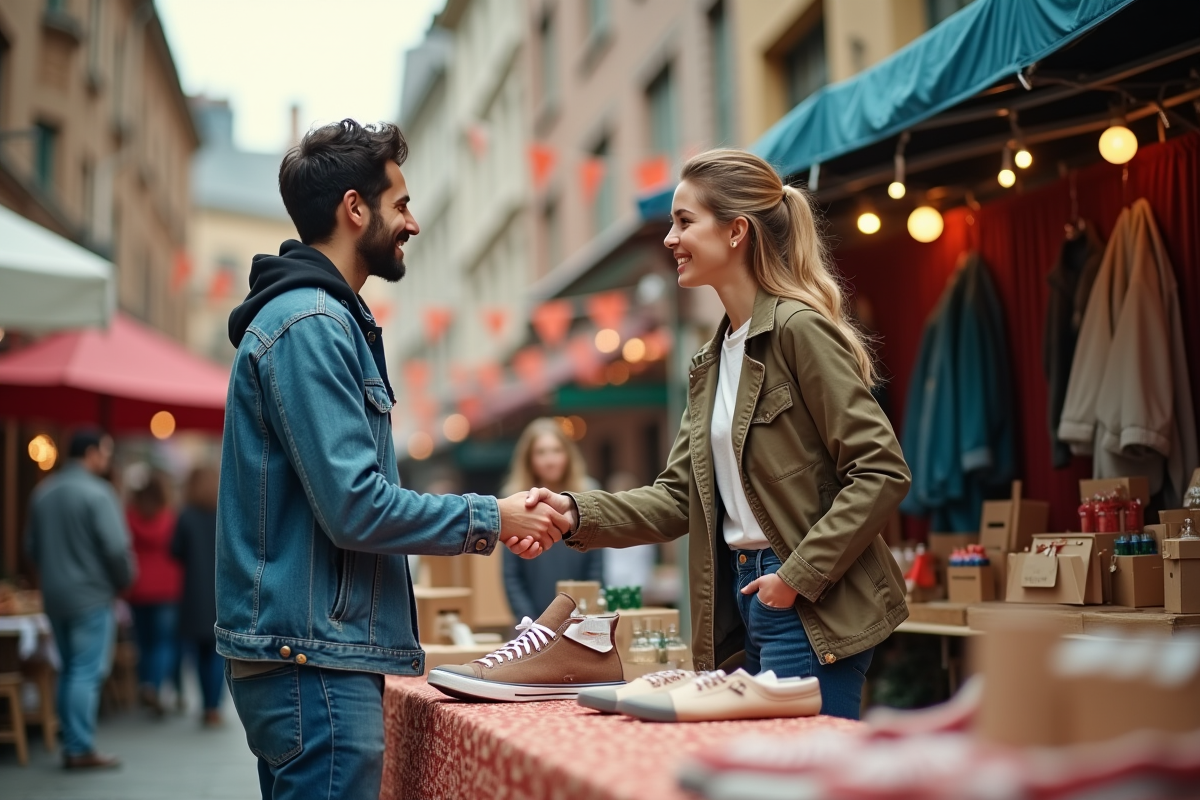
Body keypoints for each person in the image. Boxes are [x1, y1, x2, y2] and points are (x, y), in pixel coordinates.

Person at [217, 119, 570, 800]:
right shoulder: (312, 324)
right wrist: (492, 516)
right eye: (400, 203)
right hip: (313, 661)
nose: (412, 222)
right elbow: (356, 506)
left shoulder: (320, 319)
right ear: (356, 208)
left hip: (311, 653)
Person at [526, 150, 912, 720]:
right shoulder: (709, 362)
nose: (669, 239)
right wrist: (574, 512)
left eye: (685, 221)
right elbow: (678, 497)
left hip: (809, 603)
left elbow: (882, 471)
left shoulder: (798, 331)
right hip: (744, 604)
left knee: (800, 781)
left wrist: (796, 578)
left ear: (736, 232)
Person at [25, 429, 135, 769]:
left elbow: (30, 548)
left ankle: (71, 740)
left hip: (54, 596)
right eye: (104, 451)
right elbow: (117, 549)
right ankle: (79, 747)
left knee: (68, 668)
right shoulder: (99, 493)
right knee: (85, 671)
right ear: (89, 453)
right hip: (91, 595)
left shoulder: (42, 492)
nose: (106, 459)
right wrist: (124, 580)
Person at [501, 419, 604, 621]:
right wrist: (530, 622)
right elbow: (511, 575)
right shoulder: (515, 503)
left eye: (556, 450)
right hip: (533, 622)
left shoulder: (587, 497)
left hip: (581, 619)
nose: (550, 460)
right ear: (529, 459)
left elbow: (597, 567)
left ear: (568, 454)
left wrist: (589, 615)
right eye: (541, 452)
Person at [124, 467, 182, 717]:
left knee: (143, 642)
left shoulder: (130, 517)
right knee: (163, 642)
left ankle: (145, 683)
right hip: (167, 588)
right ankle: (155, 686)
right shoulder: (170, 518)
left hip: (137, 587)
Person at [172, 464, 224, 726]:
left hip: (193, 593)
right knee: (218, 653)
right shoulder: (225, 513)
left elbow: (175, 551)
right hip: (221, 592)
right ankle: (213, 707)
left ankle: (206, 705)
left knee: (199, 653)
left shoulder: (185, 516)